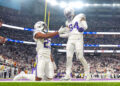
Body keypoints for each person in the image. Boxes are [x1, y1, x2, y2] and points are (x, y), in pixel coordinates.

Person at [60, 7, 90, 80]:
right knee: (69, 57)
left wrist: (82, 28)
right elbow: (69, 33)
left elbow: (85, 26)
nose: (68, 15)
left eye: (68, 13)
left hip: (78, 38)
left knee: (80, 57)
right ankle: (67, 75)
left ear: (72, 12)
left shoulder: (80, 16)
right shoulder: (67, 22)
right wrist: (60, 34)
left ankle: (87, 73)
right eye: (66, 14)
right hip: (70, 39)